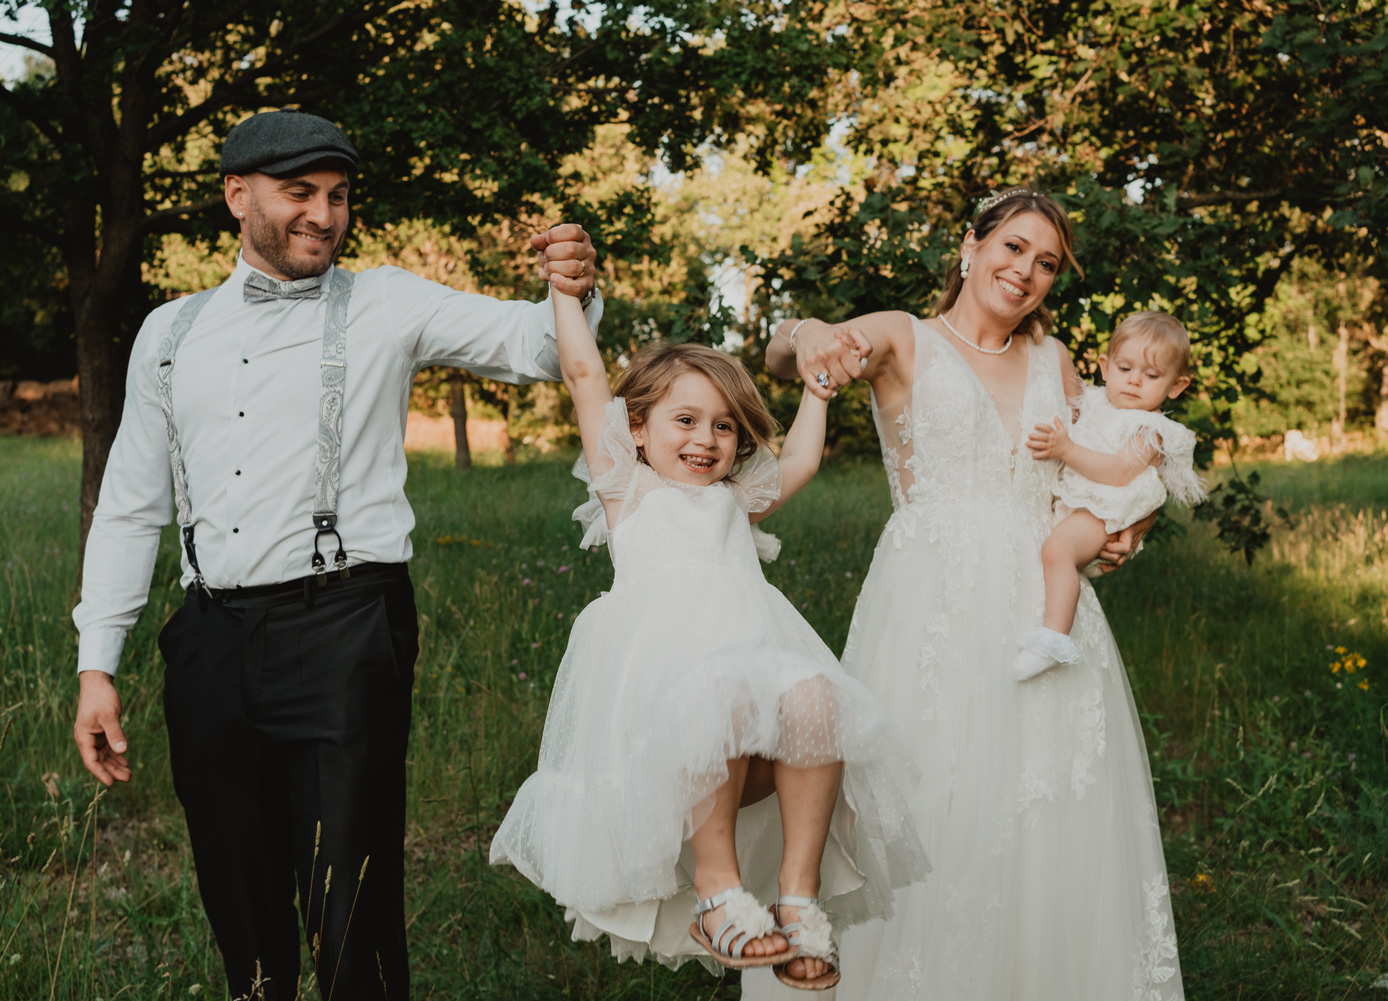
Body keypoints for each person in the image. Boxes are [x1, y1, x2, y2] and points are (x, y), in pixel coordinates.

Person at [69, 109, 602, 1001]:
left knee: (350, 901)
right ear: (238, 195)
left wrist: (574, 288)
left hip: (346, 628)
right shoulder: (166, 334)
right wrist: (98, 665)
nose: (324, 214)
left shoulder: (389, 301)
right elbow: (129, 507)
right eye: (300, 194)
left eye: (339, 196)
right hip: (208, 641)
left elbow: (542, 348)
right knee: (237, 897)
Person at [744, 188, 1185, 1000]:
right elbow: (780, 351)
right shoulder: (906, 339)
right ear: (971, 247)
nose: (1025, 271)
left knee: (1046, 806)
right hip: (932, 598)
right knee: (925, 799)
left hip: (1045, 607)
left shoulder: (1055, 361)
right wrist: (810, 335)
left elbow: (1116, 454)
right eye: (1013, 247)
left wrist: (1131, 530)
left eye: (1046, 262)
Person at [489, 286, 927, 990]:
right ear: (635, 428)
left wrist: (817, 390)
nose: (706, 439)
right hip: (664, 702)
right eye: (685, 420)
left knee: (820, 698)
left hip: (747, 688)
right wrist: (566, 296)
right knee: (714, 696)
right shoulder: (626, 490)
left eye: (725, 427)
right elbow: (583, 375)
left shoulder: (734, 501)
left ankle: (798, 898)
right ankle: (717, 892)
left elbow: (802, 464)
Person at [1014, 311, 1207, 681]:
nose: (1134, 381)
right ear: (1105, 366)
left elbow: (1119, 471)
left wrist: (1065, 449)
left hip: (1103, 511)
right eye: (1124, 368)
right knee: (1052, 549)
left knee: (1058, 550)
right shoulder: (1096, 402)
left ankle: (1053, 638)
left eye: (1151, 376)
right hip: (1077, 504)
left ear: (1177, 386)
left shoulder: (1150, 429)